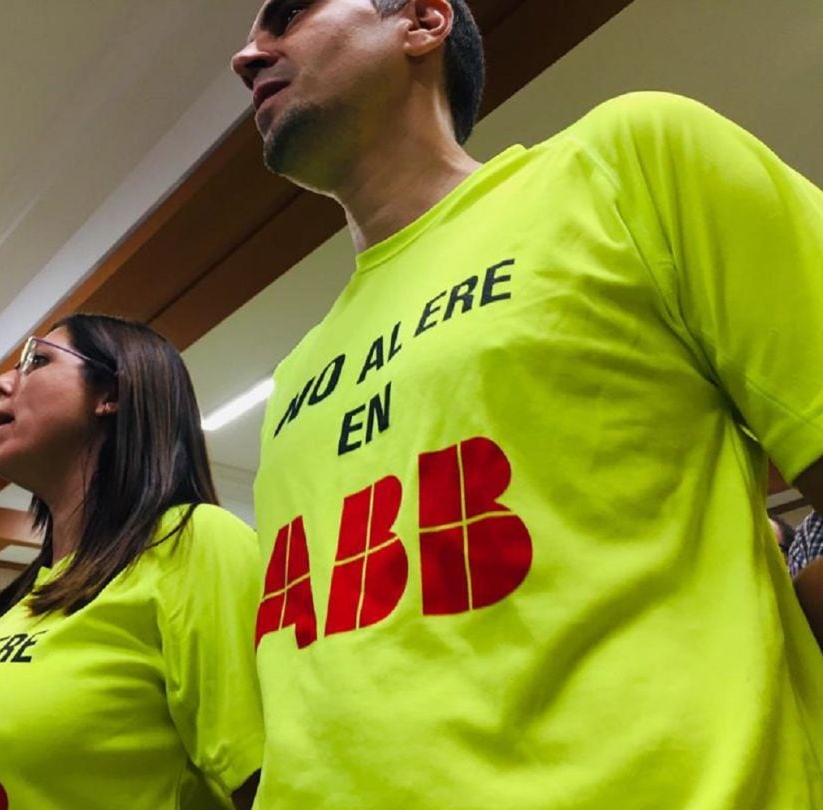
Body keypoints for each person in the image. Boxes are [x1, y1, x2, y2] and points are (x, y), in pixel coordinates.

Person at [230, 1, 823, 807]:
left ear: (422, 21)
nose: (246, 54)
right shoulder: (296, 377)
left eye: (289, 14)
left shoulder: (628, 161)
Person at [0, 314, 264, 809]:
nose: (0, 383)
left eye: (36, 361)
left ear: (111, 394)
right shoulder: (12, 607)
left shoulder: (190, 540)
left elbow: (268, 779)